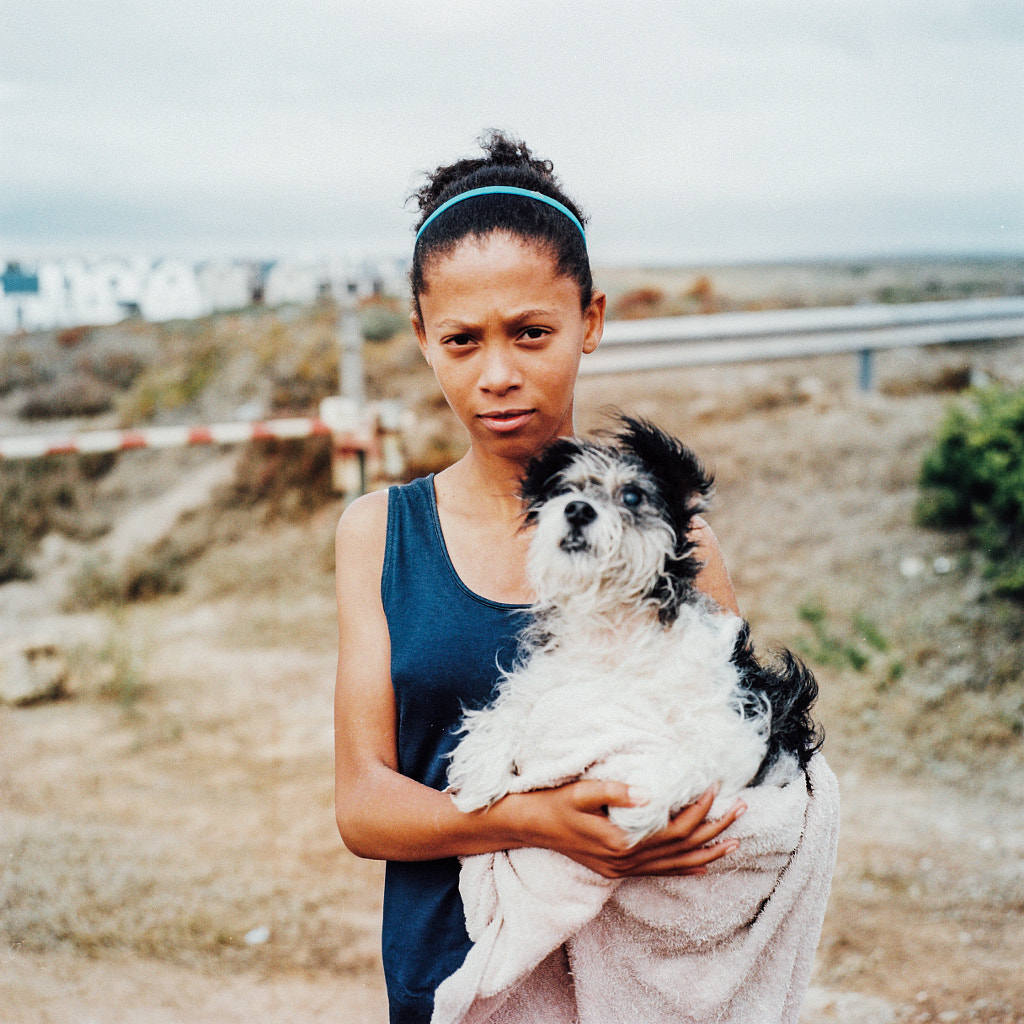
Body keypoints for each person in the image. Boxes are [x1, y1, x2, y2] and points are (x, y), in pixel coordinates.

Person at [333, 131, 747, 1024]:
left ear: (590, 321)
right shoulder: (380, 534)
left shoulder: (677, 543)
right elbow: (363, 805)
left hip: (638, 982)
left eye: (531, 332)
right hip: (458, 977)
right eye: (461, 340)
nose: (498, 375)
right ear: (422, 340)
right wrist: (527, 819)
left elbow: (725, 760)